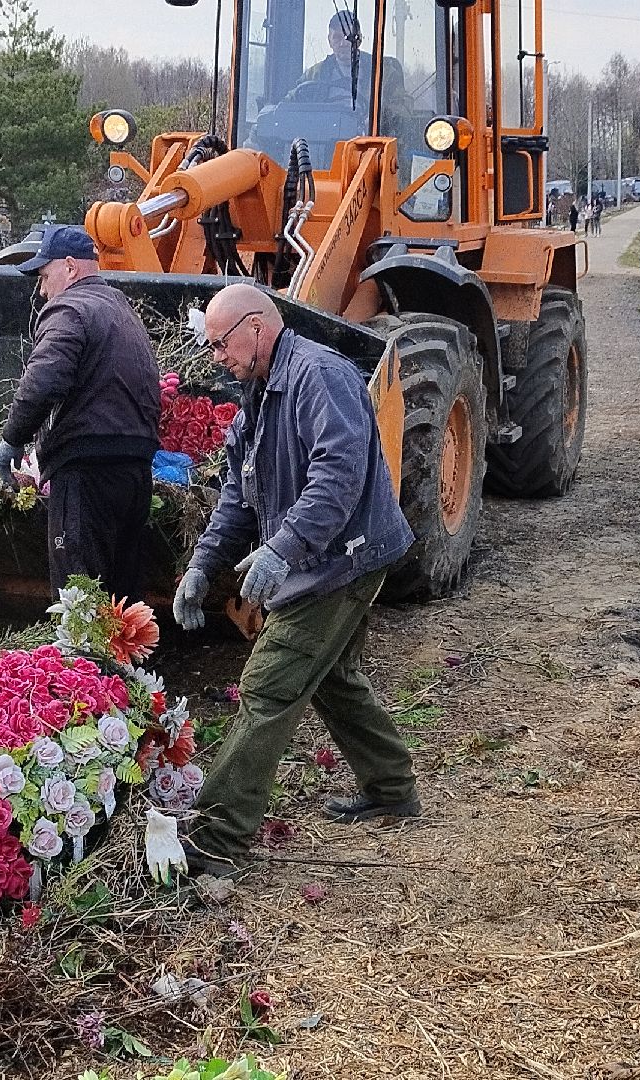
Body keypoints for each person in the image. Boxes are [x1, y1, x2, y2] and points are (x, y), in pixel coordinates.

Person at [172, 283, 419, 879]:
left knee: (269, 685)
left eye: (222, 345)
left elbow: (338, 476)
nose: (217, 359)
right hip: (319, 558)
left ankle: (216, 836)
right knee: (333, 677)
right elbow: (237, 493)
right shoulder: (257, 394)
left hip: (346, 557)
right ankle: (391, 788)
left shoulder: (318, 376)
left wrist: (283, 549)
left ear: (257, 328)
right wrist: (201, 567)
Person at [0, 225, 162, 604]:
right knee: (121, 599)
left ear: (70, 267)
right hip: (134, 471)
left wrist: (12, 439)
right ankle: (121, 664)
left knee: (80, 599)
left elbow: (44, 379)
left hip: (87, 471)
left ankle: (81, 662)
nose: (41, 290)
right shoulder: (123, 311)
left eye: (43, 275)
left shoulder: (71, 308)